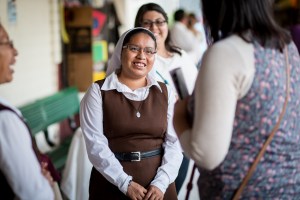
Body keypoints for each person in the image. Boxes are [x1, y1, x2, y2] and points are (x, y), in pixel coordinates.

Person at [173, 0, 300, 199]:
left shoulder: (226, 52)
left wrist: (179, 117)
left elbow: (206, 155)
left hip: (239, 191)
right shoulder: (286, 47)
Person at [80, 27, 183, 200]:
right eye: (134, 48)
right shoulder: (98, 92)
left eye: (149, 51)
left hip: (159, 189)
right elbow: (95, 144)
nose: (142, 56)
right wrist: (124, 183)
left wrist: (161, 183)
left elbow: (175, 143)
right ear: (121, 51)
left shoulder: (166, 93)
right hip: (111, 185)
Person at [133, 3, 199, 193]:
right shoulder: (136, 59)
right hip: (150, 145)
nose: (154, 27)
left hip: (181, 139)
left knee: (174, 192)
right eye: (147, 23)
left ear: (167, 25)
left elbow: (197, 91)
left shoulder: (181, 56)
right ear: (138, 26)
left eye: (159, 22)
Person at [0, 23, 54, 199]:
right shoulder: (4, 119)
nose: (15, 52)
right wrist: (42, 184)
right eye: (7, 43)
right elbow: (34, 194)